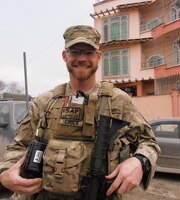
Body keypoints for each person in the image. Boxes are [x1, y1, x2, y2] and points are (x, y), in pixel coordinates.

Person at [0, 25, 160, 200]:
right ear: (65, 56)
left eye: (89, 52)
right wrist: (7, 172)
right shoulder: (45, 102)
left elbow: (148, 141)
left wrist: (139, 161)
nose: (82, 58)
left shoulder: (118, 101)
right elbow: (20, 145)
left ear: (99, 57)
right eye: (75, 52)